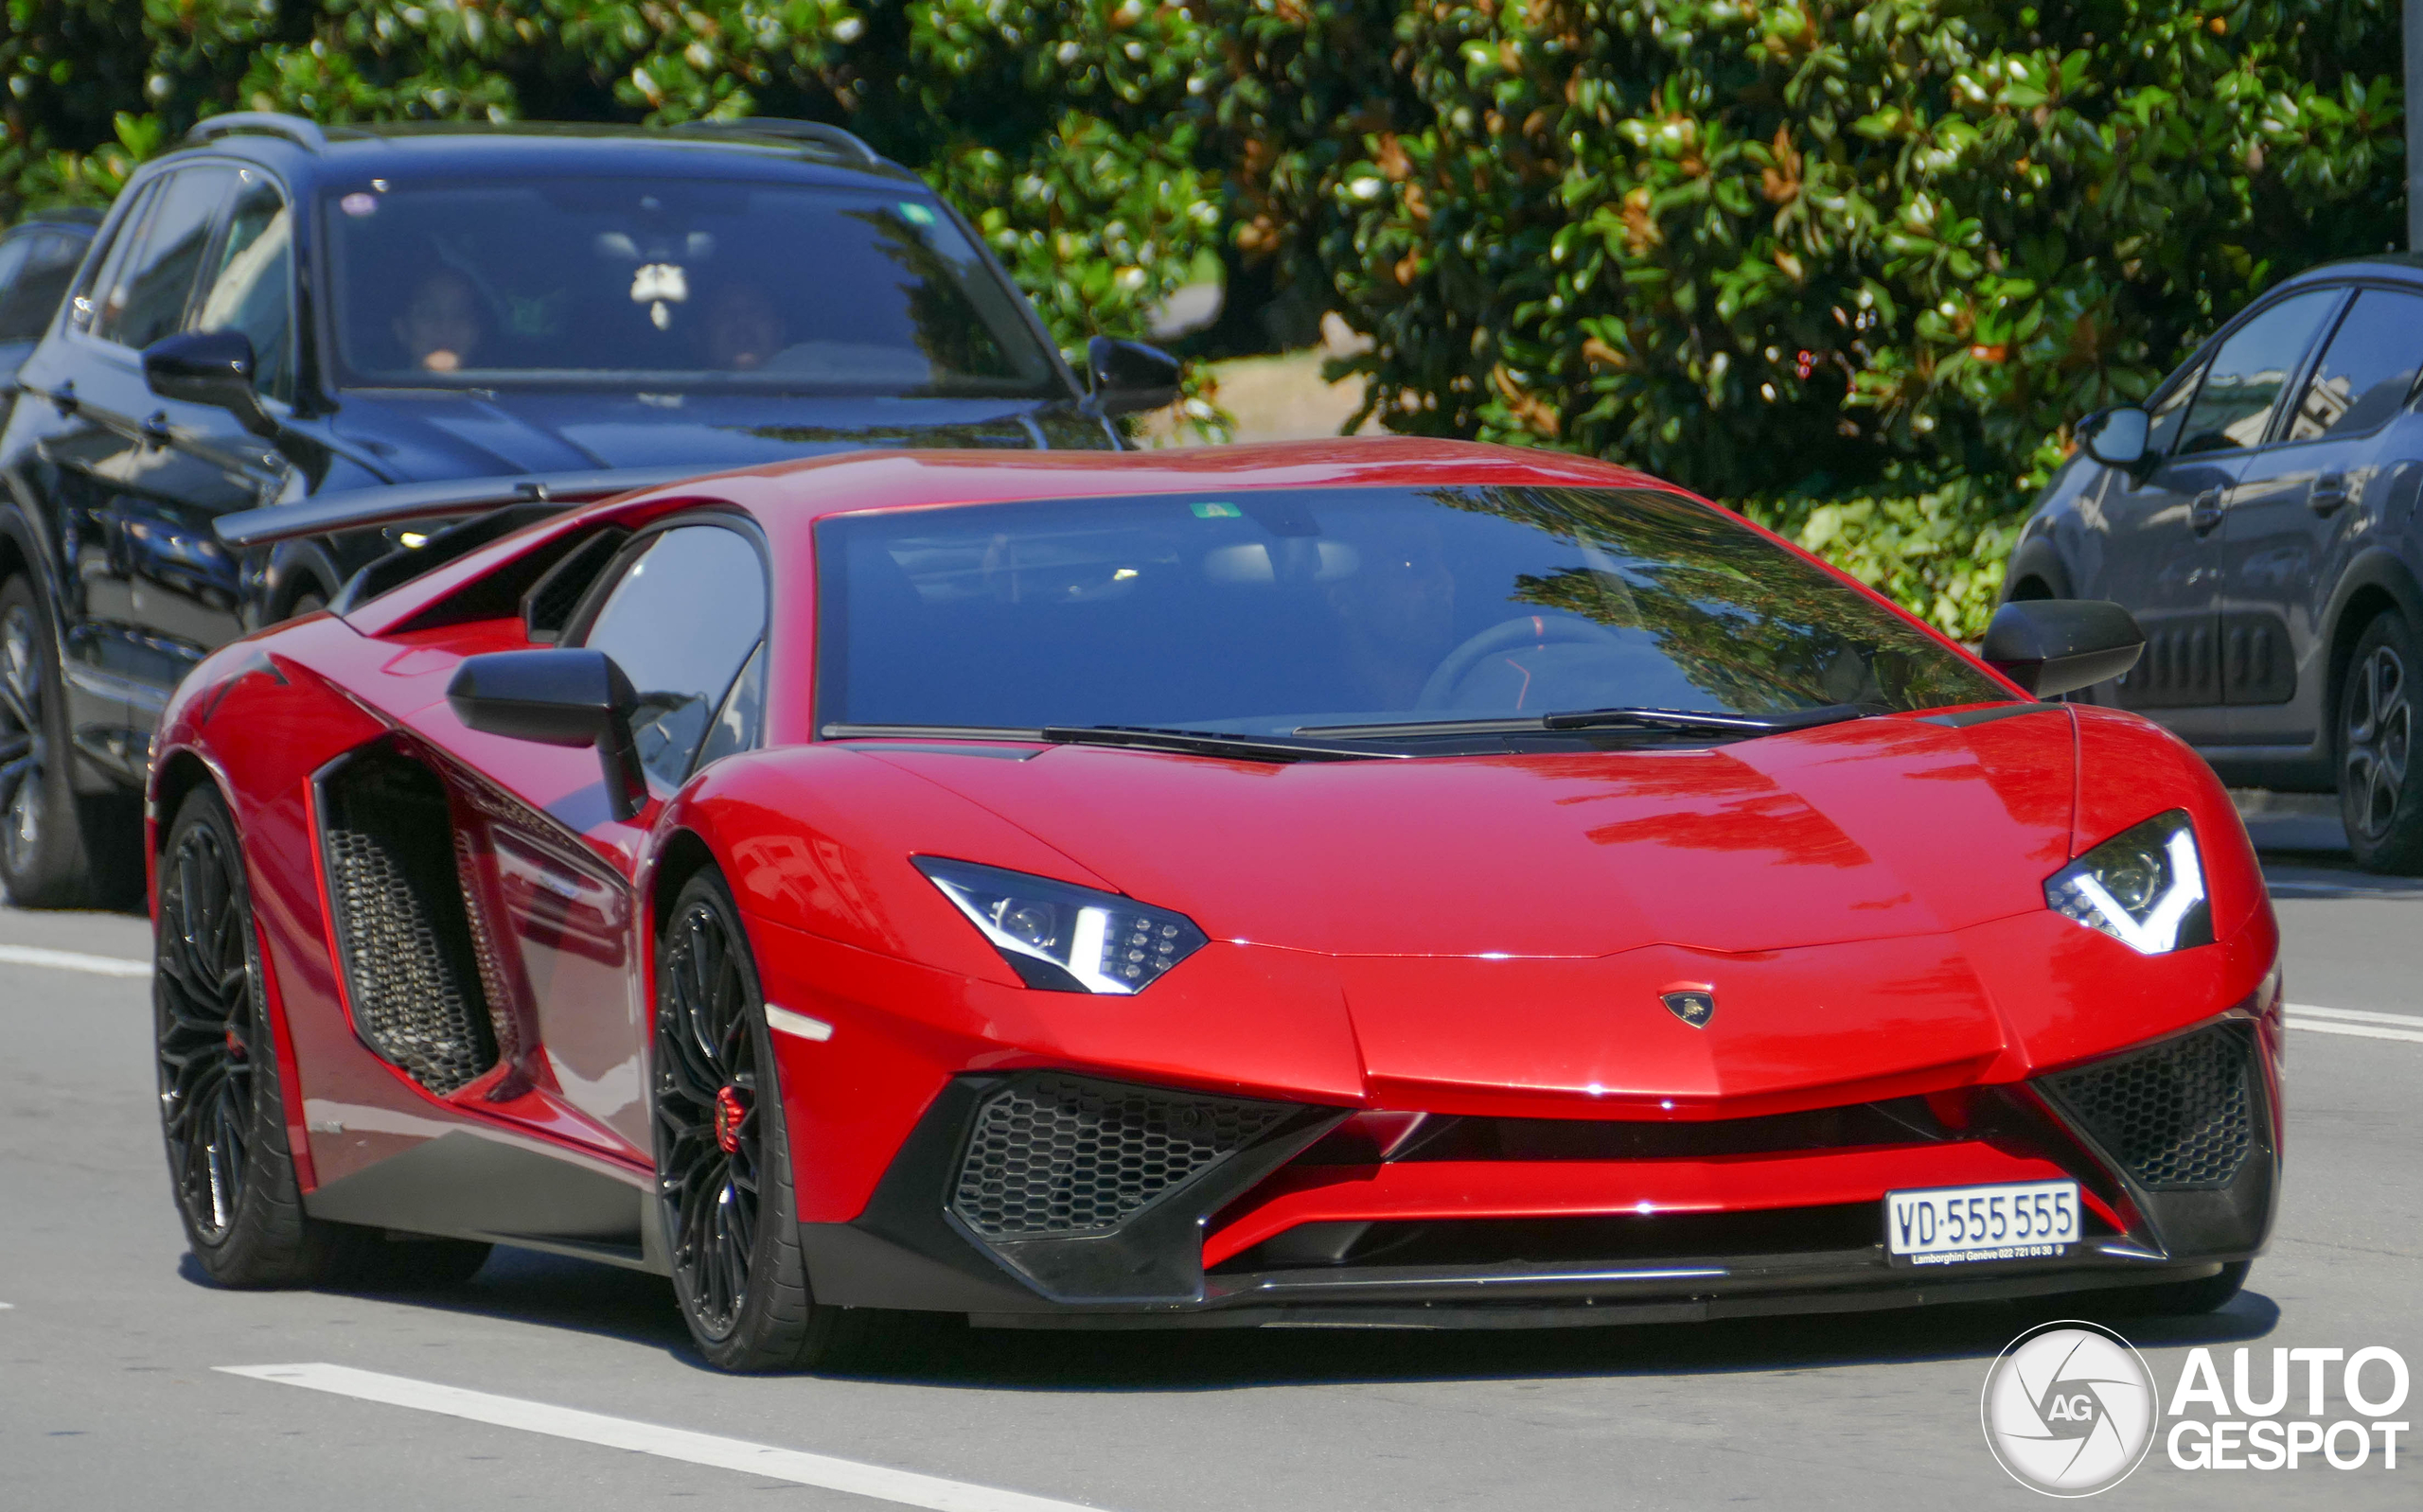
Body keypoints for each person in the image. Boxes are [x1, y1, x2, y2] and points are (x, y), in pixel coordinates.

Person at [392, 268, 484, 373]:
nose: (446, 326)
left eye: (461, 314)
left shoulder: (503, 385)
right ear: (401, 329)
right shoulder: (375, 387)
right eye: (428, 313)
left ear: (476, 331)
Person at [700, 282, 785, 371]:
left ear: (780, 330)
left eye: (753, 312)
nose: (741, 321)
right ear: (702, 336)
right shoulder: (685, 381)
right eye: (726, 314)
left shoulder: (799, 373)